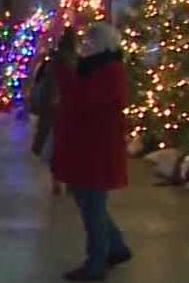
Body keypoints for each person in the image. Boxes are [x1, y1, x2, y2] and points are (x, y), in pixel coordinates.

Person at [52, 22, 132, 281]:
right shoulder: (97, 67)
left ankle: (96, 262)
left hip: (95, 151)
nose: (85, 46)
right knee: (90, 202)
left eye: (89, 42)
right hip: (85, 148)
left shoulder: (109, 72)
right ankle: (116, 246)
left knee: (92, 207)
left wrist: (64, 71)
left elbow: (82, 101)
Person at [30, 31, 77, 195]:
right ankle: (70, 182)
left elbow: (41, 85)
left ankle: (56, 182)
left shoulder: (52, 63)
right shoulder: (74, 63)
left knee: (55, 148)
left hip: (53, 111)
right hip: (67, 111)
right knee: (70, 149)